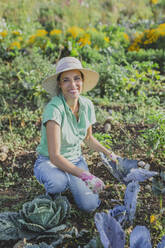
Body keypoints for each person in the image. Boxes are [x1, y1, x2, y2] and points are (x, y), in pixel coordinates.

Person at [34, 57, 119, 212]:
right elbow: (55, 156)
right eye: (66, 80)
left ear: (82, 81)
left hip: (75, 160)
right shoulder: (54, 109)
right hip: (50, 162)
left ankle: (71, 180)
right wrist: (85, 175)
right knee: (57, 182)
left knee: (89, 206)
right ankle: (54, 192)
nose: (73, 85)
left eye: (76, 79)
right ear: (59, 84)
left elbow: (88, 138)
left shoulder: (86, 105)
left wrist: (110, 154)